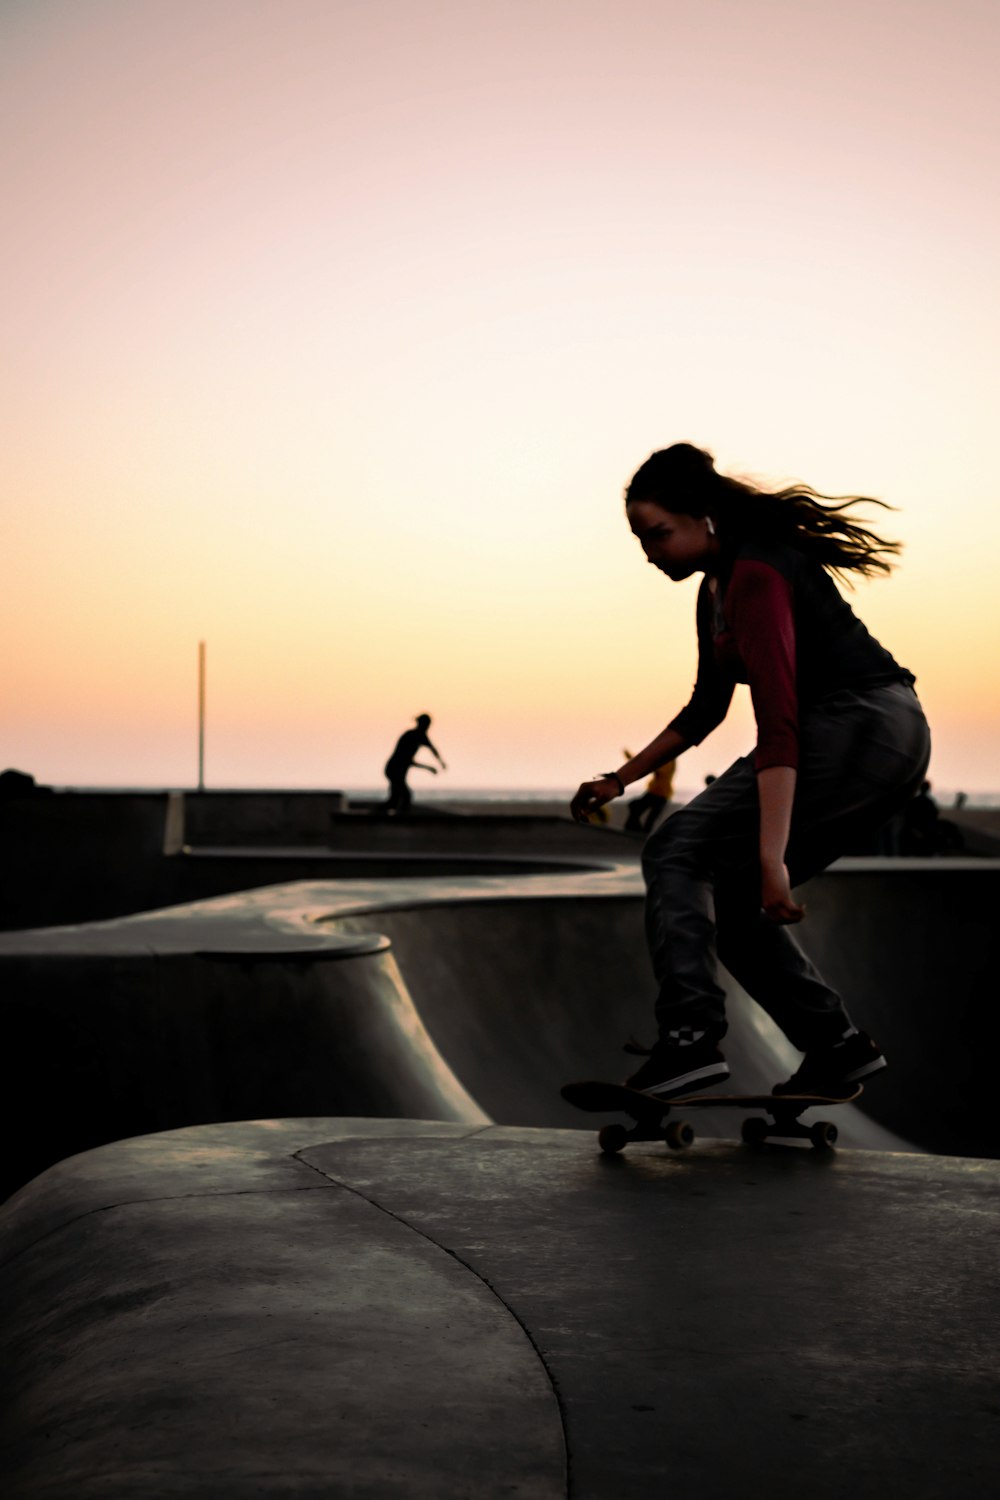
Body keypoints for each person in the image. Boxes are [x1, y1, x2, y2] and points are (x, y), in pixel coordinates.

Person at [571, 442, 931, 1099]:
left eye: (658, 534)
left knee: (677, 849)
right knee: (733, 907)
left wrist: (772, 860)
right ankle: (835, 1047)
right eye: (639, 540)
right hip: (882, 734)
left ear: (705, 517)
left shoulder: (757, 575)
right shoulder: (715, 591)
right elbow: (706, 708)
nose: (649, 552)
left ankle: (690, 1038)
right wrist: (618, 782)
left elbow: (779, 725)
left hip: (859, 724)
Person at [383, 714, 446, 815]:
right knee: (405, 795)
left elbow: (433, 749)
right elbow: (407, 760)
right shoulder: (410, 736)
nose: (428, 728)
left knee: (394, 799)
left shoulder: (422, 736)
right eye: (426, 725)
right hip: (394, 769)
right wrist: (429, 768)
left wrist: (441, 762)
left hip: (399, 771)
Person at [625, 756, 676, 834]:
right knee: (635, 807)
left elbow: (659, 771)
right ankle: (635, 829)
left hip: (661, 795)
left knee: (651, 818)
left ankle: (642, 833)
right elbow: (651, 765)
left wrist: (646, 765)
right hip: (653, 792)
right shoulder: (664, 759)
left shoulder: (669, 761)